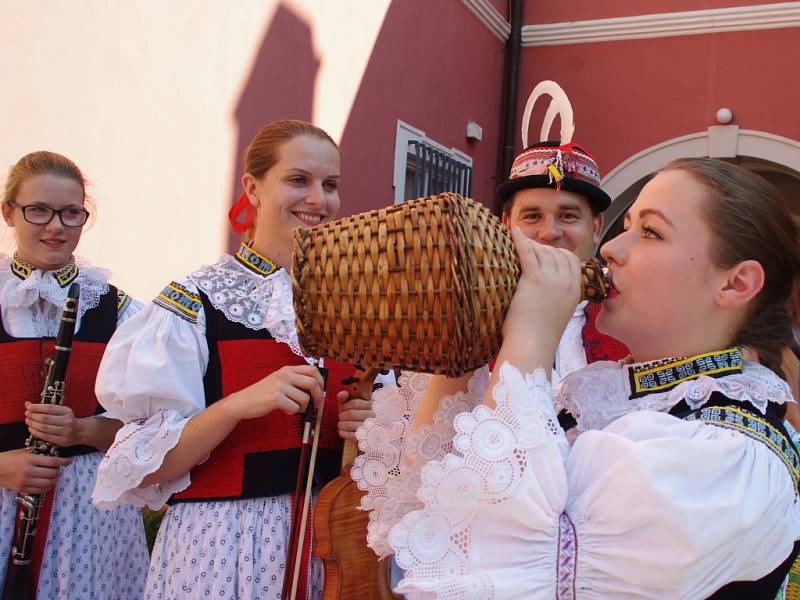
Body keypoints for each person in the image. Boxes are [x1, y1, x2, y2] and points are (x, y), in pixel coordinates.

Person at [359, 158, 800, 598]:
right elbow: (429, 512)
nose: (610, 249)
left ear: (736, 283)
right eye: (626, 227)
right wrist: (462, 348)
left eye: (651, 232)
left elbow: (492, 564)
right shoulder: (623, 399)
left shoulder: (725, 454)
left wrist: (530, 335)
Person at [92, 120, 374, 600]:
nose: (318, 200)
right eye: (298, 180)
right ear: (253, 187)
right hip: (221, 547)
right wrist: (235, 406)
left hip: (330, 550)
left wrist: (369, 427)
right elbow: (145, 467)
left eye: (330, 185)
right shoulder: (195, 301)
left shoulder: (355, 307)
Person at [0, 151, 148, 598]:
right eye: (38, 210)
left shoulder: (120, 311)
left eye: (71, 213)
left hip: (89, 512)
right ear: (9, 212)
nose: (56, 226)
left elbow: (155, 426)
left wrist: (84, 428)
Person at [497, 141, 628, 389]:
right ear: (506, 224)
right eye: (532, 216)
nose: (549, 233)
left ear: (596, 227)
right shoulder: (472, 320)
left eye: (568, 216)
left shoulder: (631, 321)